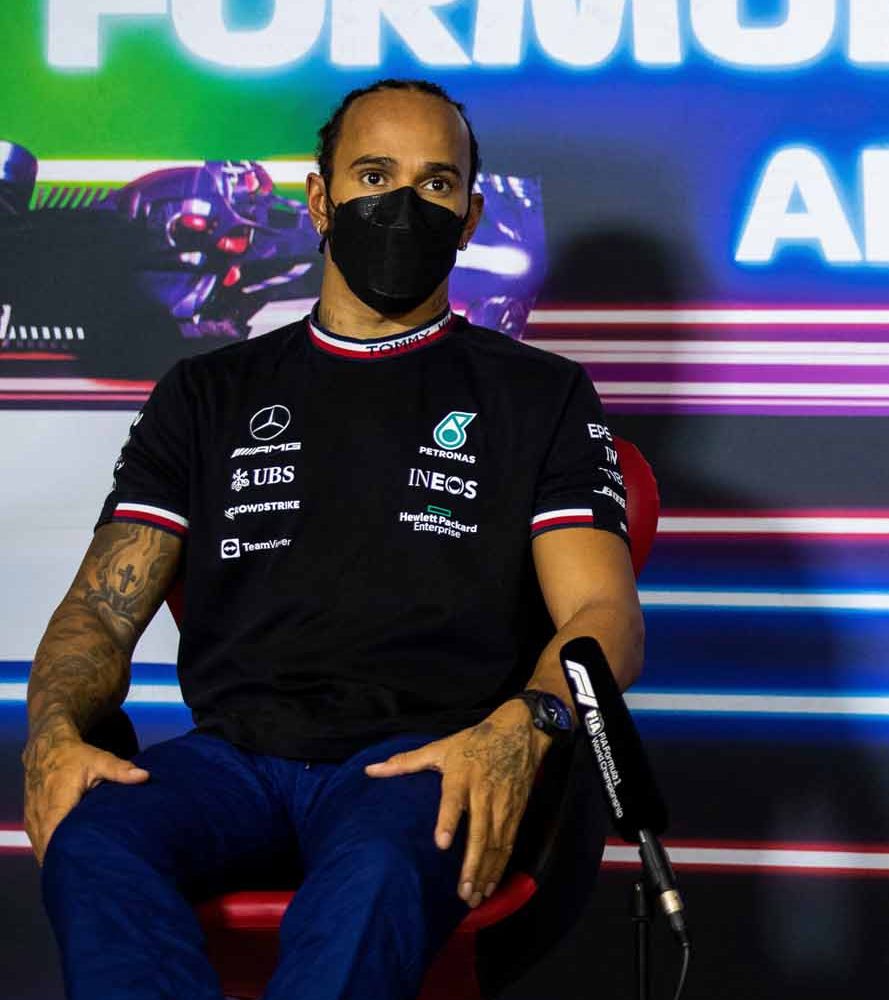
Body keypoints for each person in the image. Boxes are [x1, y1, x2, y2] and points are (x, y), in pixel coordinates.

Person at [21, 79, 643, 1000]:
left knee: (376, 883)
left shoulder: (537, 396)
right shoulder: (206, 394)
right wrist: (50, 732)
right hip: (229, 759)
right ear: (320, 201)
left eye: (436, 185)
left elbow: (605, 614)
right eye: (373, 174)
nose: (402, 204)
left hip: (423, 760)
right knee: (97, 842)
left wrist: (524, 726)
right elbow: (101, 613)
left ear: (470, 217)